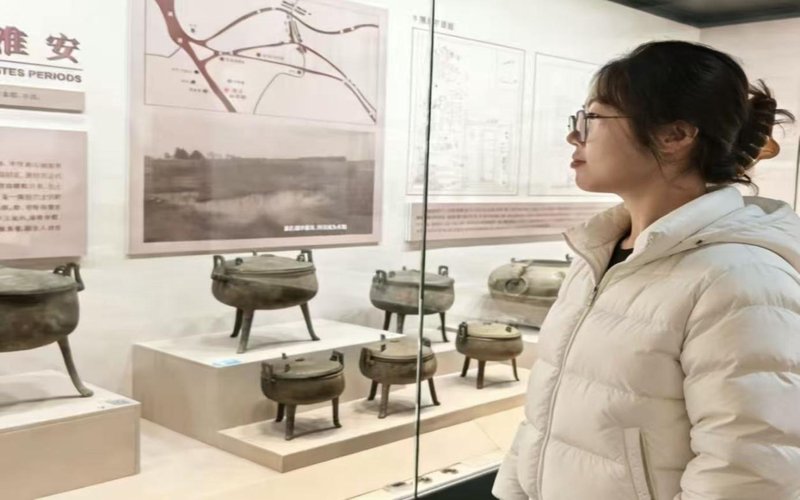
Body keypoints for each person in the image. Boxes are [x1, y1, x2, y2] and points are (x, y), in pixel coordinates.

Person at [492, 40, 800, 500]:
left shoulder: (740, 278)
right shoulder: (600, 253)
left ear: (675, 135)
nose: (574, 137)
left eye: (593, 118)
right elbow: (544, 416)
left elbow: (749, 473)